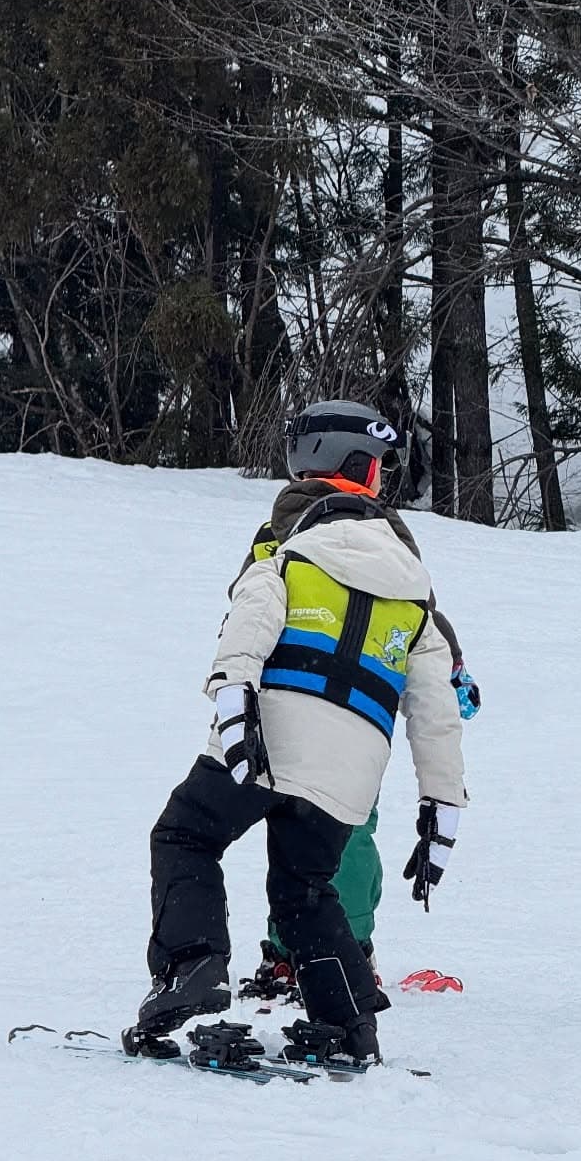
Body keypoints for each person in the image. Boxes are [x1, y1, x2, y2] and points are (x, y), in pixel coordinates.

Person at [132, 399, 467, 1064]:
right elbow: (436, 709)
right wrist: (442, 808)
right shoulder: (416, 593)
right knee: (304, 889)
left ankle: (193, 965)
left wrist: (234, 707)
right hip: (353, 768)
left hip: (272, 736)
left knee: (186, 834)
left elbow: (245, 629)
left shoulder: (286, 557)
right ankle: (350, 1024)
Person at [231, 398, 481, 1003]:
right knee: (347, 828)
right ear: (355, 463)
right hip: (356, 710)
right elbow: (419, 611)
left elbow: (243, 602)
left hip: (281, 703)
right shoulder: (382, 531)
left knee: (290, 828)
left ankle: (289, 951)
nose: (381, 478)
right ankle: (346, 950)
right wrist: (453, 671)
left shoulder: (275, 532)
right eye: (376, 464)